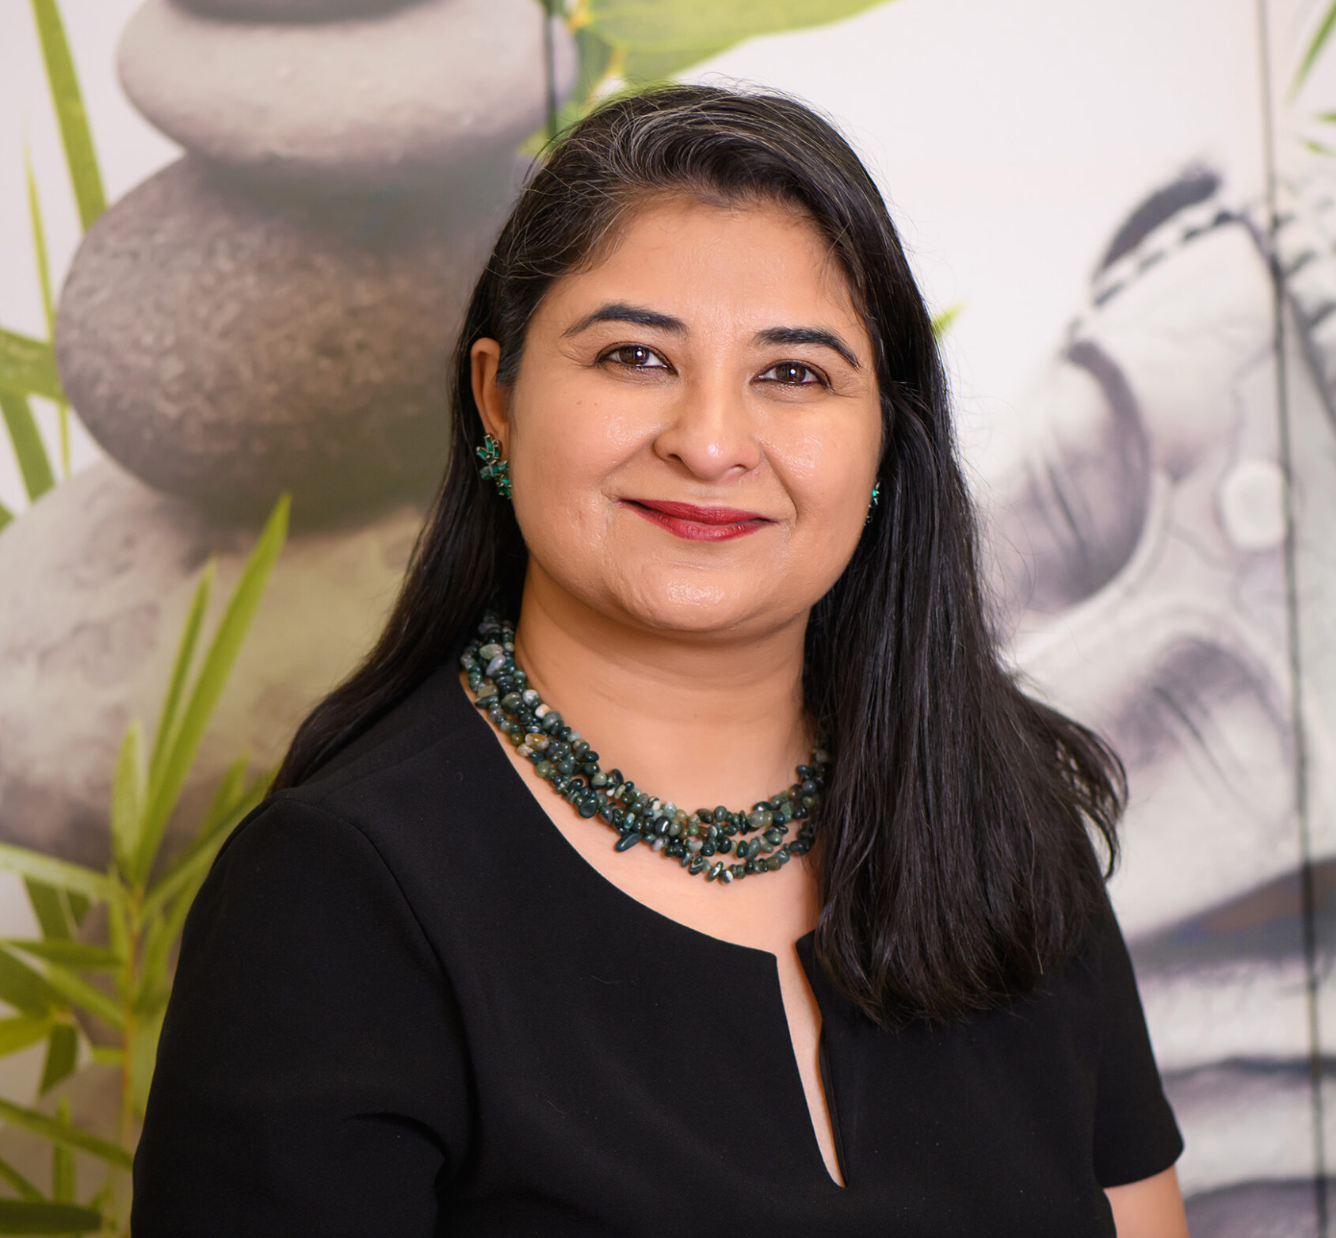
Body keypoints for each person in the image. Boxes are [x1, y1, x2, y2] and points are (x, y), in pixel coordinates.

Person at [131, 85, 1187, 1236]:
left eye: (793, 372)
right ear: (497, 397)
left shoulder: (1002, 825)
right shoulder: (335, 898)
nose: (711, 441)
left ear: (887, 437)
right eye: (634, 356)